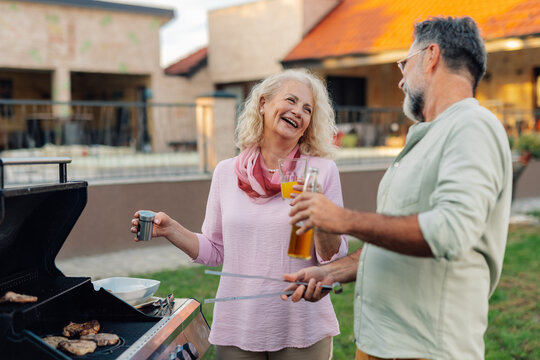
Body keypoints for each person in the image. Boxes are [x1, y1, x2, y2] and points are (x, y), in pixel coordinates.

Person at [283, 16, 513, 360]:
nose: (401, 80)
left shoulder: (472, 126)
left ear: (431, 56)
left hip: (425, 348)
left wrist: (342, 219)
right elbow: (396, 238)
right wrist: (331, 271)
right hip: (382, 343)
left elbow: (448, 231)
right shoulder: (432, 135)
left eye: (404, 64)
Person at [130, 69, 348, 359]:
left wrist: (320, 218)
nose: (298, 112)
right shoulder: (226, 172)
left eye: (307, 109)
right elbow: (215, 248)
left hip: (301, 324)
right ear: (263, 104)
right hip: (238, 323)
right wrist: (171, 229)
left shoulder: (320, 172)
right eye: (291, 101)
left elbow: (334, 258)